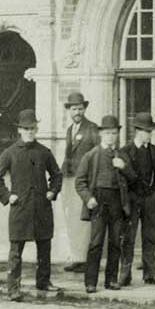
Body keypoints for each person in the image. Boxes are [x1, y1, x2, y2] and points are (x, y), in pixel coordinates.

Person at [0, 109, 63, 302]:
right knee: (15, 252)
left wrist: (52, 191)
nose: (30, 131)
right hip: (20, 209)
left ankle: (43, 282)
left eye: (32, 128)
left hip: (41, 208)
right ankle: (13, 288)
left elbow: (57, 175)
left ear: (36, 129)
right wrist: (7, 196)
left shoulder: (44, 152)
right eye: (26, 128)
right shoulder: (10, 153)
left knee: (44, 247)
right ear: (19, 130)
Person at [74, 115, 133, 294]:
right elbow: (80, 182)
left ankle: (111, 280)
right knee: (96, 243)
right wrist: (88, 198)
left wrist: (123, 167)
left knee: (115, 242)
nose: (111, 136)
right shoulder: (91, 155)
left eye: (114, 133)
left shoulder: (122, 155)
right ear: (101, 134)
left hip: (117, 202)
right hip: (98, 201)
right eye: (107, 133)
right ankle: (90, 282)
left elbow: (133, 179)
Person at [119, 112, 155, 287]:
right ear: (138, 131)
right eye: (147, 131)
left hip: (150, 201)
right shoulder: (126, 151)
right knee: (128, 237)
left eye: (151, 131)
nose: (150, 135)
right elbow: (128, 177)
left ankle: (150, 274)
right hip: (132, 200)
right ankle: (125, 274)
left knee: (150, 237)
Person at [60, 91, 98, 274]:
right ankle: (77, 257)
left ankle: (85, 259)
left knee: (84, 222)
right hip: (70, 182)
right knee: (72, 221)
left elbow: (97, 157)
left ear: (85, 109)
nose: (77, 112)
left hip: (85, 183)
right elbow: (68, 158)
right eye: (74, 108)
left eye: (80, 108)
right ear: (69, 110)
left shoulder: (92, 129)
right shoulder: (69, 130)